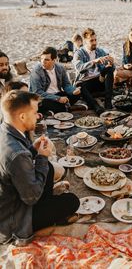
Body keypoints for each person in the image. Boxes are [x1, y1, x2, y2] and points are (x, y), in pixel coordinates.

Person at [0, 90, 80, 245]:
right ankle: (47, 212)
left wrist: (33, 151)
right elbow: (32, 197)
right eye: (35, 112)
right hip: (14, 219)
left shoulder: (5, 131)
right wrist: (42, 156)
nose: (38, 116)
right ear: (22, 116)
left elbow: (16, 165)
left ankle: (48, 204)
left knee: (48, 168)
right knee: (72, 201)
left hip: (12, 197)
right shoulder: (17, 154)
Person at [73, 28, 115, 114]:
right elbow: (79, 67)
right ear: (85, 41)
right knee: (78, 85)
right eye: (91, 40)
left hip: (99, 80)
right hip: (85, 82)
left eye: (95, 40)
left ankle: (108, 102)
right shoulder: (79, 53)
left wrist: (111, 63)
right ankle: (96, 106)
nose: (94, 43)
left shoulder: (100, 51)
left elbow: (112, 67)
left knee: (110, 69)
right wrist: (94, 61)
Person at [30, 47, 81, 114]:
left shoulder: (60, 68)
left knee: (77, 94)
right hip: (44, 97)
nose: (43, 62)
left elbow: (66, 85)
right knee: (43, 103)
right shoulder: (36, 71)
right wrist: (58, 99)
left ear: (54, 60)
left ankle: (58, 108)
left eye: (46, 60)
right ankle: (64, 107)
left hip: (58, 93)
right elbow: (37, 92)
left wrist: (73, 91)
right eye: (41, 59)